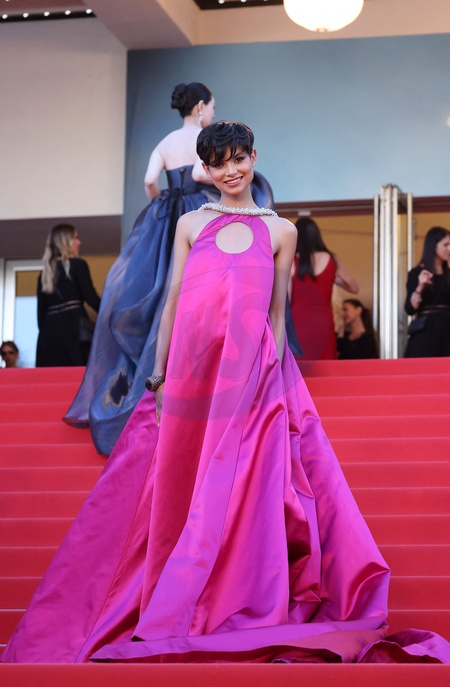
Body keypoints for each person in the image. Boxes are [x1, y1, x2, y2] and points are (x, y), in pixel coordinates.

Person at [2, 122, 449, 665]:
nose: (231, 170)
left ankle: (230, 595)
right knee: (182, 482)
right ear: (206, 170)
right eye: (219, 162)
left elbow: (277, 314)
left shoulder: (281, 231)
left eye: (239, 158)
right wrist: (158, 373)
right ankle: (176, 592)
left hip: (251, 375)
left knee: (243, 486)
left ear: (253, 157)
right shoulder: (190, 224)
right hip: (192, 372)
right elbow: (172, 302)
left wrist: (272, 375)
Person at [63, 82, 275, 456]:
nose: (212, 111)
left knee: (165, 294)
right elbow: (200, 175)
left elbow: (149, 180)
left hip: (162, 216)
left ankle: (158, 372)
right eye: (211, 106)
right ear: (200, 107)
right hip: (198, 207)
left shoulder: (165, 142)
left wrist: (159, 207)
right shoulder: (205, 144)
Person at [290, 217, 359, 361]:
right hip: (323, 320)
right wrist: (331, 277)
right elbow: (354, 288)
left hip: (298, 320)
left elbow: (287, 298)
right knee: (324, 362)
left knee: (300, 365)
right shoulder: (332, 259)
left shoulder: (291, 260)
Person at [36, 225, 101, 367]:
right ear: (65, 242)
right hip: (74, 331)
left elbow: (41, 316)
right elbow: (91, 299)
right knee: (78, 375)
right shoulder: (78, 265)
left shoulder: (44, 274)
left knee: (53, 377)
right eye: (75, 238)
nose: (79, 242)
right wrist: (113, 317)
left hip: (49, 335)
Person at [404, 226, 450, 357]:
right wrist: (420, 287)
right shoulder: (417, 273)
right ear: (433, 246)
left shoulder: (448, 274)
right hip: (427, 331)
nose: (449, 249)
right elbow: (409, 309)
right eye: (445, 245)